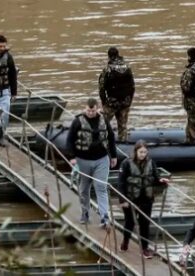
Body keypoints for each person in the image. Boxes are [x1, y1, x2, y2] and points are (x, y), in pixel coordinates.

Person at [67, 97, 118, 228]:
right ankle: (85, 213)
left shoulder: (104, 120)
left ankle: (104, 217)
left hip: (101, 159)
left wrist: (114, 156)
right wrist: (72, 157)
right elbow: (70, 140)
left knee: (101, 188)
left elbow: (111, 138)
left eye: (93, 111)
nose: (91, 113)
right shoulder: (78, 121)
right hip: (83, 160)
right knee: (84, 189)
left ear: (97, 108)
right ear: (85, 109)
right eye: (89, 111)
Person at [118, 140, 167, 257]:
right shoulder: (126, 163)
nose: (142, 154)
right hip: (131, 198)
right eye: (140, 152)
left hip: (146, 198)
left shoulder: (151, 163)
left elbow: (156, 178)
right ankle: (125, 242)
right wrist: (123, 200)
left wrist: (162, 181)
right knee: (129, 222)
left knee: (145, 224)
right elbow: (121, 183)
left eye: (145, 152)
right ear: (136, 151)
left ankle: (144, 248)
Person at [98, 47, 135, 141]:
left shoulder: (107, 69)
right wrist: (129, 101)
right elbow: (132, 86)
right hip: (125, 102)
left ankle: (101, 144)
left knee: (102, 125)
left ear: (109, 56)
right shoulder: (128, 67)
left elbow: (101, 88)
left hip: (111, 102)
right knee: (123, 127)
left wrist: (104, 102)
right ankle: (123, 144)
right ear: (118, 54)